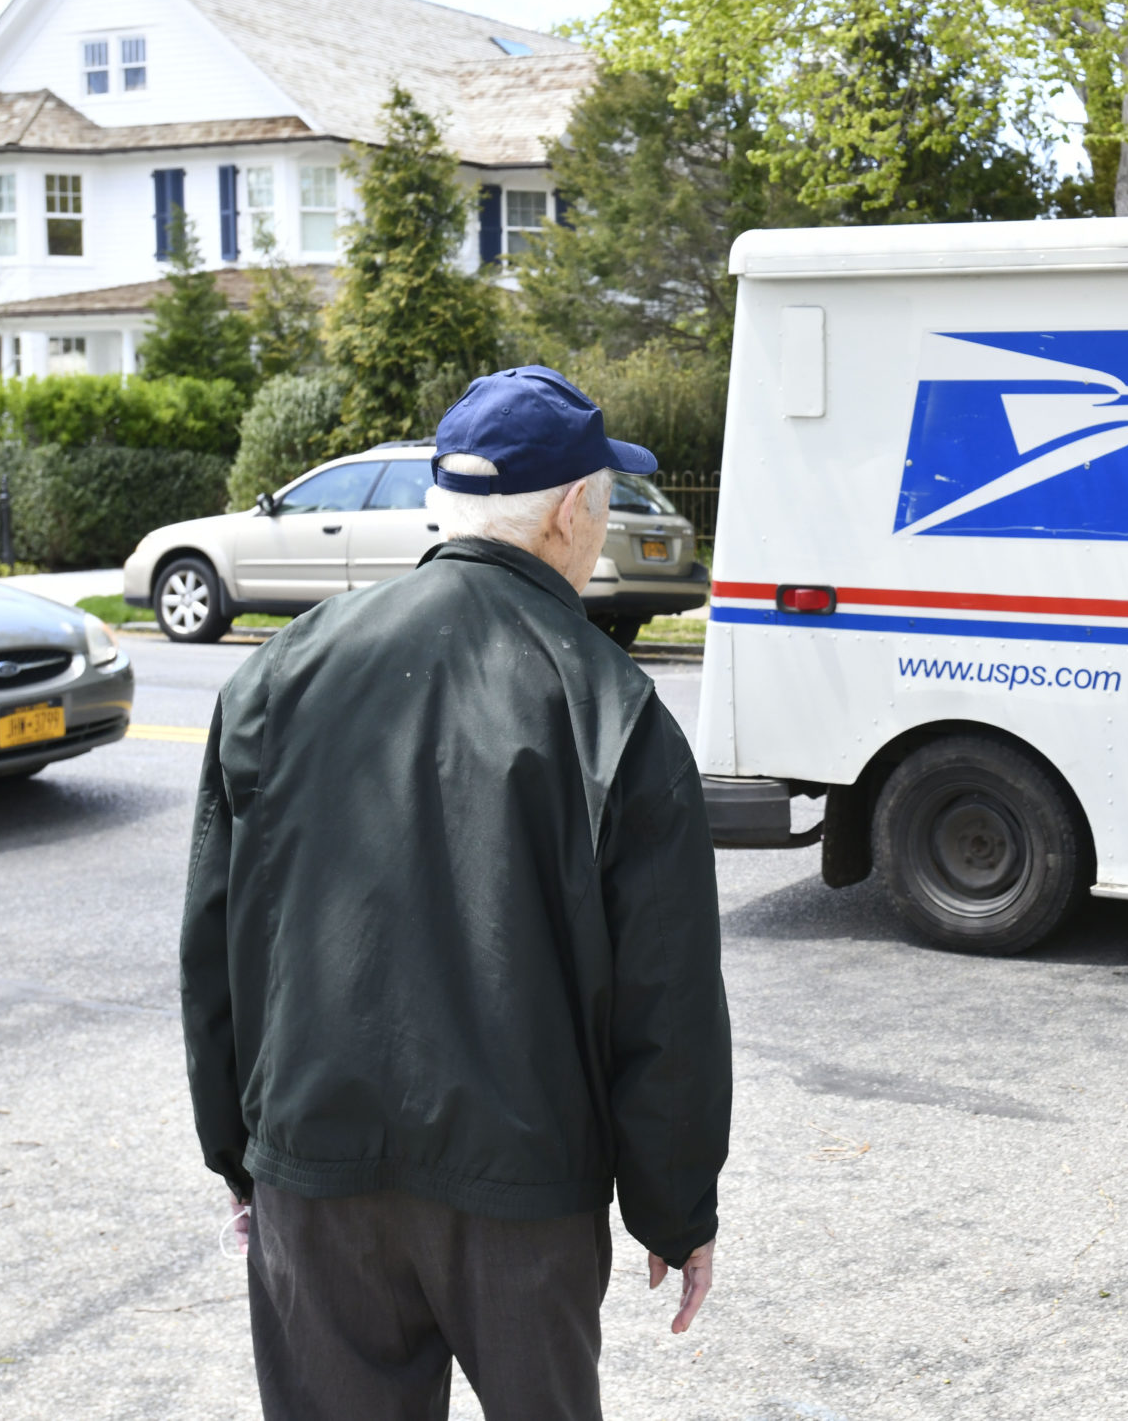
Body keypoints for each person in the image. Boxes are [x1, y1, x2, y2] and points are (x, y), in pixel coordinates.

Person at [181, 365, 734, 1421]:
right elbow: (666, 1001)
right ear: (573, 510)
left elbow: (218, 944)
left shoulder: (278, 673)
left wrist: (240, 1157)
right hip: (522, 1192)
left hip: (313, 1166)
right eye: (605, 496)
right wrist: (675, 1207)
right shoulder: (610, 705)